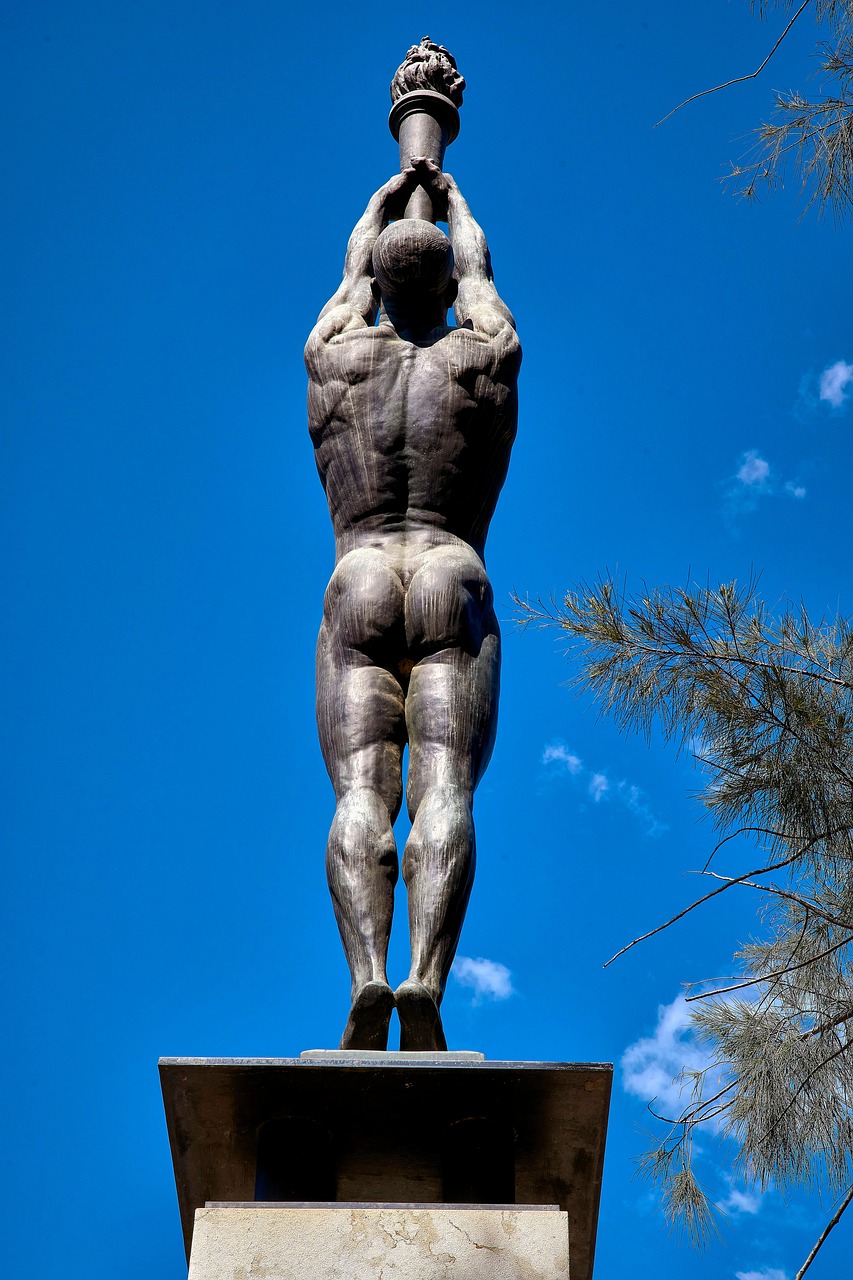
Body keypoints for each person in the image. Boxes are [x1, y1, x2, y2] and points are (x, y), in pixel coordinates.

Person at [305, 158, 520, 1050]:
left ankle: (366, 977)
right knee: (444, 784)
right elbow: (480, 279)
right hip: (449, 567)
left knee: (360, 789)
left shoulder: (334, 359)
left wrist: (379, 203)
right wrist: (456, 202)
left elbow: (352, 275)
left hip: (358, 578)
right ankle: (425, 980)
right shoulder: (483, 357)